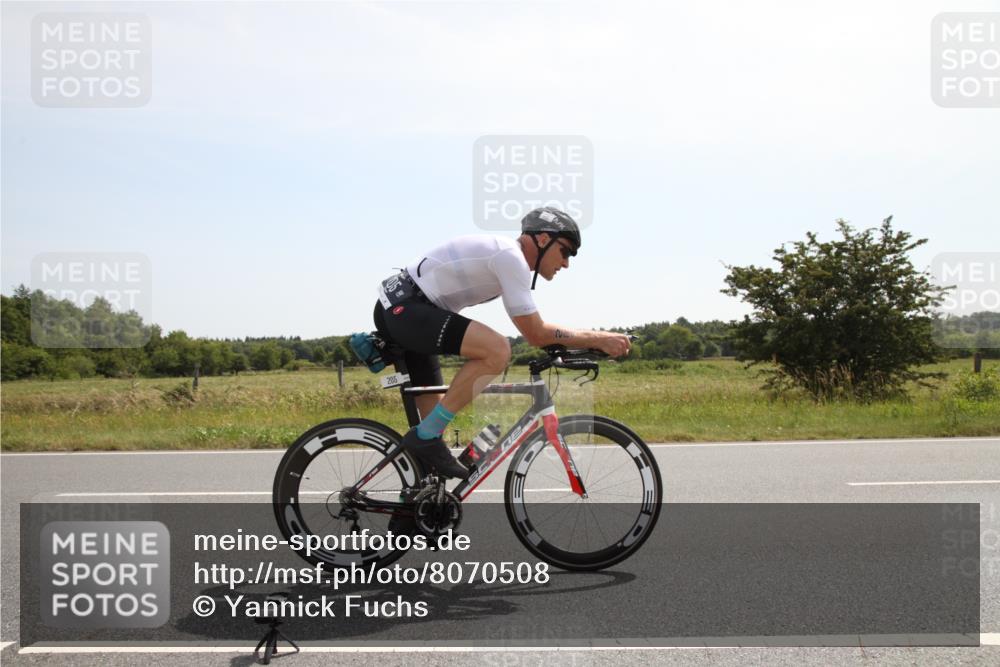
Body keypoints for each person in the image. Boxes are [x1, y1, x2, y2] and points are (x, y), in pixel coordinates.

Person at [372, 207, 631, 479]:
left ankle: (410, 512)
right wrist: (599, 338)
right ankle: (425, 438)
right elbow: (536, 333)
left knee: (431, 448)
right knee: (497, 350)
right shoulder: (510, 257)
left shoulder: (507, 257)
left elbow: (538, 333)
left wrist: (583, 345)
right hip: (407, 309)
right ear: (543, 239)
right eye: (565, 251)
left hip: (408, 308)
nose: (566, 263)